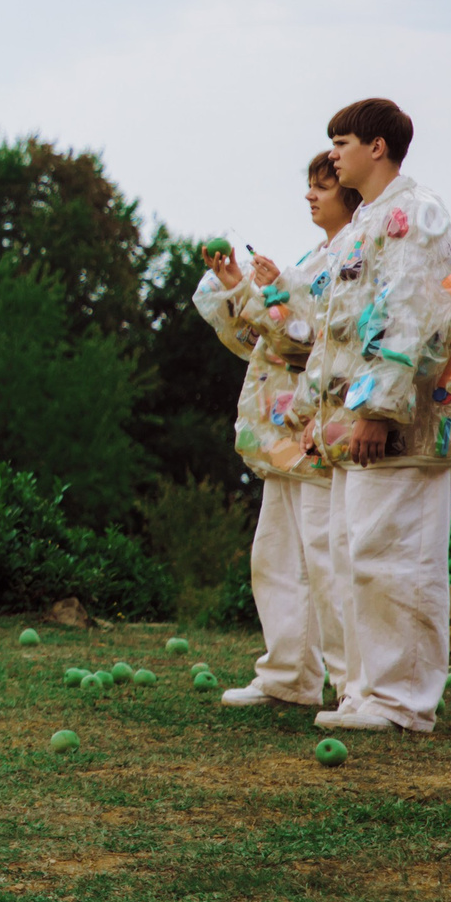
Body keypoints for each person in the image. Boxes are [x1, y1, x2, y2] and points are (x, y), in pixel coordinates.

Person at [298, 98, 451, 734]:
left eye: (343, 142)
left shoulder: (413, 214)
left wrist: (378, 411)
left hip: (406, 423)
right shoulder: (365, 223)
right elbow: (343, 332)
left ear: (378, 147)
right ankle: (366, 692)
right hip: (364, 426)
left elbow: (409, 312)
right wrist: (326, 413)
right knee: (360, 556)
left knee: (399, 558)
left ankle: (403, 702)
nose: (332, 154)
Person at [194, 151, 359, 710]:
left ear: (351, 191)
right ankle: (289, 674)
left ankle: (350, 685)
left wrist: (271, 294)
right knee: (276, 556)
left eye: (323, 187)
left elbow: (313, 337)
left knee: (324, 559)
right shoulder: (319, 254)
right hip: (284, 434)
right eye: (310, 187)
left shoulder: (355, 254)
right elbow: (272, 335)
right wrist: (243, 287)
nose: (311, 196)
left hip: (317, 430)